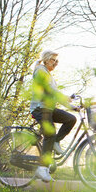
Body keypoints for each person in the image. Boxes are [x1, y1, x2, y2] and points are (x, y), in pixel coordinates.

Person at [30, 50, 79, 182]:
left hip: (49, 108)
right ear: (46, 60)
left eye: (57, 61)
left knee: (71, 119)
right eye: (54, 60)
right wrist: (63, 96)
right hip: (40, 108)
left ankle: (56, 141)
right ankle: (42, 169)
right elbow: (49, 90)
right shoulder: (40, 70)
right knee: (49, 134)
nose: (56, 63)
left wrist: (73, 107)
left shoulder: (49, 75)